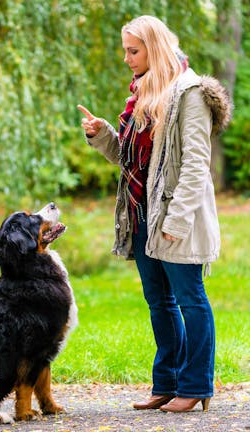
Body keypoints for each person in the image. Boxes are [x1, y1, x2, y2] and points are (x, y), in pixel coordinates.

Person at [77, 15, 232, 413]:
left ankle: (196, 385)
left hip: (175, 217)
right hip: (140, 213)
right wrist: (102, 135)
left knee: (190, 297)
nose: (127, 58)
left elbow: (197, 164)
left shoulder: (189, 93)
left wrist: (177, 221)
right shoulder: (142, 94)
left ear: (155, 47)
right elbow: (130, 160)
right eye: (125, 50)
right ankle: (167, 383)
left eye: (134, 50)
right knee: (159, 302)